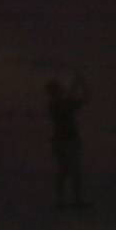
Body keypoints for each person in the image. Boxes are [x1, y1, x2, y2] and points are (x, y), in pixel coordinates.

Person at [47, 70, 88, 212]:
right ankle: (74, 199)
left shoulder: (56, 105)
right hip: (65, 142)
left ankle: (65, 199)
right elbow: (69, 105)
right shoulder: (55, 106)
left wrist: (77, 87)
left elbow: (77, 102)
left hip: (65, 142)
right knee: (70, 170)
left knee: (65, 170)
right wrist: (76, 86)